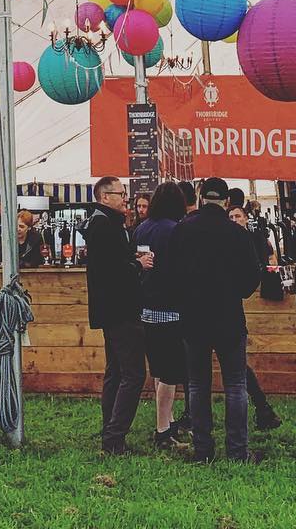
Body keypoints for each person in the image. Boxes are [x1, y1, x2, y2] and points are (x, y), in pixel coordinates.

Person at [172, 177, 262, 463]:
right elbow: (252, 278)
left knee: (198, 385)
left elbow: (168, 273)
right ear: (226, 202)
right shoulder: (237, 234)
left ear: (200, 198)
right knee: (236, 385)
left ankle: (203, 449)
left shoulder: (183, 230)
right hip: (228, 317)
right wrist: (233, 291)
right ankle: (237, 451)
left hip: (193, 318)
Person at [85, 176, 151, 454]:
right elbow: (114, 270)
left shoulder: (102, 222)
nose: (126, 198)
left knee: (115, 372)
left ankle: (109, 432)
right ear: (105, 197)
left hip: (110, 309)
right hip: (121, 309)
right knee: (134, 374)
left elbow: (112, 260)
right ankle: (114, 437)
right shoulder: (105, 225)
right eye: (121, 194)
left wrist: (131, 258)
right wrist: (138, 264)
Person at [134, 181, 189, 448]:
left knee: (158, 370)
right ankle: (163, 430)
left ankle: (165, 422)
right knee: (170, 373)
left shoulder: (142, 229)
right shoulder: (177, 230)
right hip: (171, 310)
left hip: (146, 309)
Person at [228, 205, 282, 431]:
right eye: (230, 216)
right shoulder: (229, 239)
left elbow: (260, 267)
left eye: (237, 216)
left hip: (229, 311)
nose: (234, 219)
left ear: (246, 217)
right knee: (236, 367)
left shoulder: (252, 238)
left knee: (236, 369)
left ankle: (262, 409)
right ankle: (262, 409)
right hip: (230, 312)